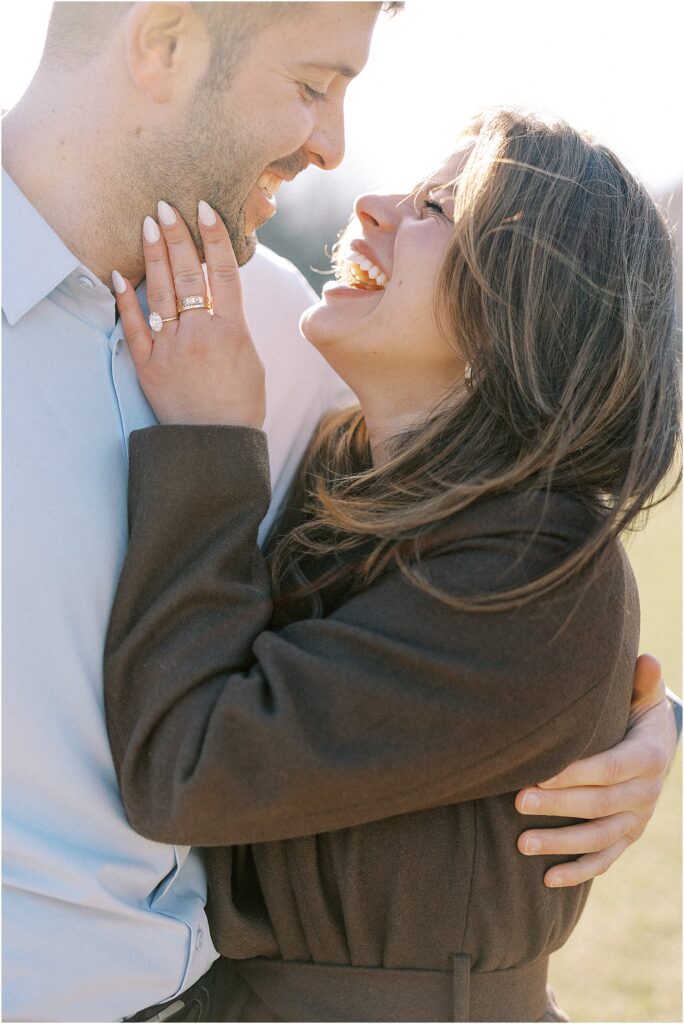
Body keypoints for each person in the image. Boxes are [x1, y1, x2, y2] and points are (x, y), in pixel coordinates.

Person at [0, 0, 677, 1018]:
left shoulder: (271, 328)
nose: (339, 153)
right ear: (164, 44)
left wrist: (633, 725)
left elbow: (508, 580)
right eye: (314, 86)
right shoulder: (318, 385)